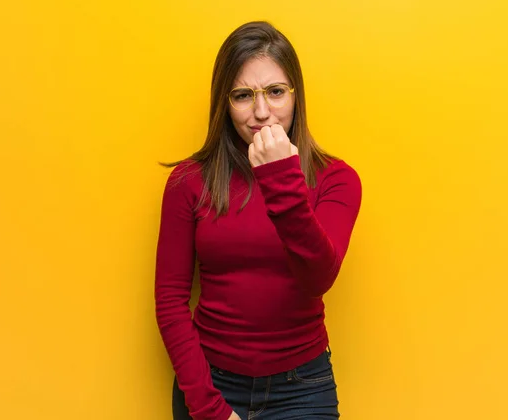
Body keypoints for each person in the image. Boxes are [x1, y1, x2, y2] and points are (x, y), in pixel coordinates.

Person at [155, 21, 362, 420]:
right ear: (224, 102)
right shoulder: (188, 181)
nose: (262, 112)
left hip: (302, 389)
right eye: (243, 95)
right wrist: (208, 406)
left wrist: (281, 177)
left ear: (296, 96)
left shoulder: (337, 179)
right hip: (210, 384)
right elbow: (170, 302)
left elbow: (319, 277)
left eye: (276, 92)